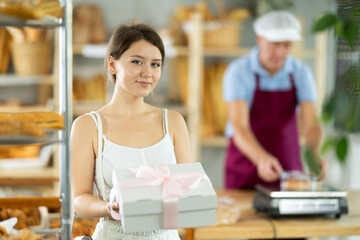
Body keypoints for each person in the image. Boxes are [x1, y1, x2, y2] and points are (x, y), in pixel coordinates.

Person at [70, 23, 191, 239]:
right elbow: (79, 199)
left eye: (155, 64)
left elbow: (189, 192)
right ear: (112, 64)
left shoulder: (173, 122)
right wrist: (109, 208)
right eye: (137, 61)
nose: (147, 72)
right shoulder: (87, 126)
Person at [223, 11, 325, 190]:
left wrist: (315, 156)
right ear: (259, 39)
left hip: (288, 171)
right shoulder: (238, 72)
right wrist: (261, 158)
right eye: (274, 44)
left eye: (287, 46)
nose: (280, 53)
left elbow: (311, 124)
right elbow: (239, 126)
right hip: (244, 171)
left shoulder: (301, 73)